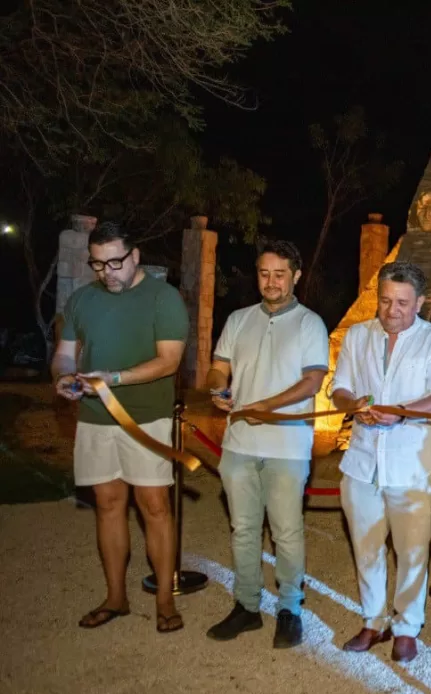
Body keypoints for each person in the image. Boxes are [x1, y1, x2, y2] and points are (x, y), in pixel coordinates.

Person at [51, 221, 189, 633]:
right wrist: (62, 377)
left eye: (115, 262)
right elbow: (64, 354)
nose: (107, 272)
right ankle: (116, 597)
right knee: (108, 506)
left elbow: (169, 361)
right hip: (95, 421)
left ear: (135, 256)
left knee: (155, 508)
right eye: (98, 263)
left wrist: (111, 380)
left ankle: (165, 600)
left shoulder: (164, 298)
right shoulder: (81, 300)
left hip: (146, 420)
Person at [329, 261, 431, 663]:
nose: (392, 310)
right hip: (362, 460)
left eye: (402, 302)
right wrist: (355, 405)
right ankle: (373, 620)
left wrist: (401, 411)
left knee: (412, 549)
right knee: (366, 546)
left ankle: (406, 626)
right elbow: (340, 388)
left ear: (420, 302)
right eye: (386, 301)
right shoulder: (358, 335)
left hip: (411, 462)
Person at [204, 240, 330, 649]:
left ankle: (290, 608)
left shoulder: (310, 323)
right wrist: (218, 388)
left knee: (287, 531)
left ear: (296, 275)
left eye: (280, 274)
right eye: (264, 273)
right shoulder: (239, 319)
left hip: (288, 445)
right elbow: (219, 366)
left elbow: (312, 381)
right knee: (243, 528)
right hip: (240, 441)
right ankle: (246, 606)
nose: (271, 281)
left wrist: (265, 406)